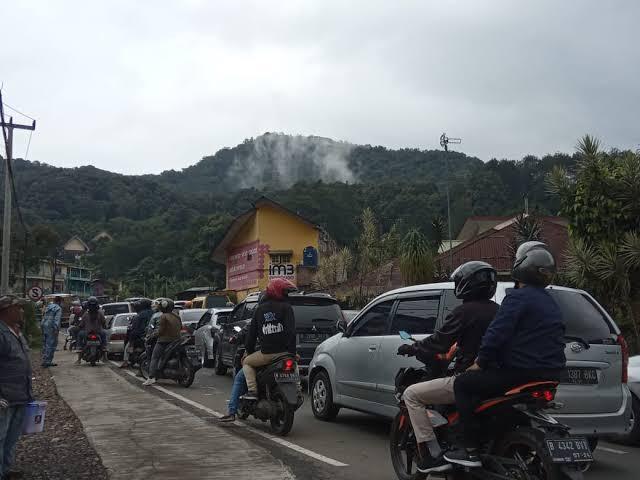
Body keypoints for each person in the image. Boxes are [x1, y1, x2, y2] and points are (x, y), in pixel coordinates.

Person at [445, 242, 567, 468]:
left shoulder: (517, 298)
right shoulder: (551, 302)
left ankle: (468, 448)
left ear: (521, 267)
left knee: (463, 384)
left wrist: (480, 362)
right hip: (550, 374)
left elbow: (496, 334)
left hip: (519, 374)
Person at [397, 261, 499, 473]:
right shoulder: (500, 310)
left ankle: (434, 455)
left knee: (411, 394)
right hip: (498, 378)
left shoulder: (464, 311)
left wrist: (414, 347)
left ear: (466, 285)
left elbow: (439, 342)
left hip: (469, 377)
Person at [241, 278, 297, 400]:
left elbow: (251, 336)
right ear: (277, 291)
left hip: (266, 354)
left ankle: (252, 391)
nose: (286, 294)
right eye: (285, 292)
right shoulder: (287, 308)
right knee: (293, 365)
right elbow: (291, 333)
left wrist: (248, 352)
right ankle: (297, 390)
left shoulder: (259, 310)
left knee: (246, 362)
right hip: (285, 353)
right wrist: (292, 353)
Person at [0, 295, 32, 480]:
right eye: (17, 308)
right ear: (6, 311)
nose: (21, 311)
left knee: (12, 437)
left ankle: (6, 469)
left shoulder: (17, 331)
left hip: (20, 394)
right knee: (1, 436)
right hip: (4, 396)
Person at [142, 298, 182, 386]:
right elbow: (180, 327)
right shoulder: (176, 316)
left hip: (164, 341)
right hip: (176, 340)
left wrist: (151, 336)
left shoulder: (163, 316)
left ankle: (151, 377)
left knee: (154, 357)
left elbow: (160, 330)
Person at [218, 324, 250, 423]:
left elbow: (244, 333)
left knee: (240, 377)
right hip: (282, 354)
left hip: (262, 354)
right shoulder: (283, 316)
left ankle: (232, 411)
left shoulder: (259, 316)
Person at [120, 299, 152, 369]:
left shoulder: (139, 315)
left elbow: (135, 329)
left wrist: (131, 339)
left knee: (128, 346)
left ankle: (125, 361)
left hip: (141, 335)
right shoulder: (153, 313)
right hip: (151, 335)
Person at [76, 297, 107, 365]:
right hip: (98, 332)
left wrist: (79, 327)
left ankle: (79, 356)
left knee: (80, 335)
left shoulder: (85, 314)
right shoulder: (100, 313)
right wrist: (104, 326)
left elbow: (81, 324)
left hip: (87, 333)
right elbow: (104, 322)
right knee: (104, 334)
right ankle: (105, 354)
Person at [41, 296, 62, 368]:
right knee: (51, 344)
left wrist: (42, 326)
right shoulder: (58, 308)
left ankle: (44, 360)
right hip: (52, 327)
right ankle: (48, 361)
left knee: (45, 343)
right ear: (59, 302)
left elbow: (43, 317)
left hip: (44, 326)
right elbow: (57, 320)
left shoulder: (48, 307)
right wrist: (56, 329)